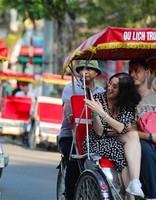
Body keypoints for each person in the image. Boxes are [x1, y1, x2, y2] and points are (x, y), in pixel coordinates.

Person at [84, 72, 144, 199]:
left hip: (116, 137)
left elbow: (121, 128)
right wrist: (97, 113)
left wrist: (103, 114)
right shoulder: (98, 99)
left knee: (133, 135)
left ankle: (135, 182)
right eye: (110, 83)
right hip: (97, 140)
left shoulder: (127, 105)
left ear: (123, 91)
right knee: (124, 156)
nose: (110, 88)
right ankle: (130, 196)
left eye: (115, 86)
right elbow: (99, 132)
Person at [59, 60, 105, 200]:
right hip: (71, 136)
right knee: (73, 164)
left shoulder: (102, 92)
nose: (85, 72)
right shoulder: (70, 87)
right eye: (82, 69)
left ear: (96, 73)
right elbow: (68, 106)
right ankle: (70, 196)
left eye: (90, 69)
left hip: (94, 135)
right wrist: (71, 114)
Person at [129, 58, 156, 199]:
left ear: (147, 72)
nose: (133, 74)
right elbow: (127, 130)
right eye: (130, 71)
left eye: (136, 71)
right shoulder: (127, 99)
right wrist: (150, 137)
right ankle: (153, 195)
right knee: (145, 148)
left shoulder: (154, 97)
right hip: (139, 141)